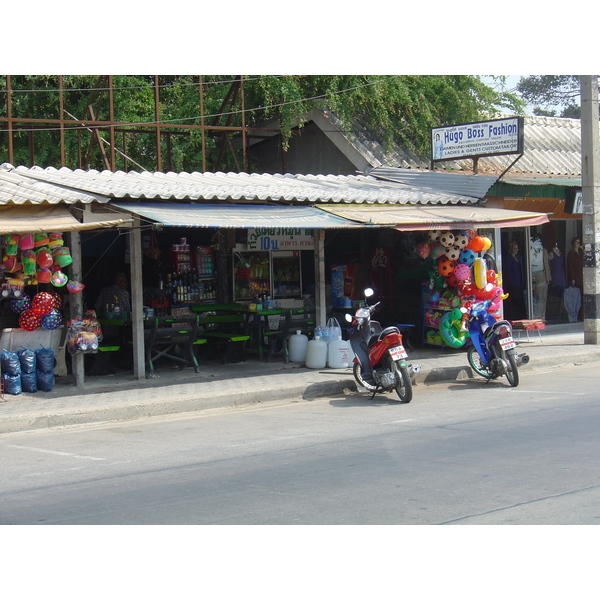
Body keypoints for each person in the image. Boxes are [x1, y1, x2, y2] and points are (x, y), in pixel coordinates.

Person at [502, 240, 526, 320]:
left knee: (520, 301)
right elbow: (507, 271)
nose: (517, 250)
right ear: (511, 249)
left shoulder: (520, 258)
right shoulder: (507, 259)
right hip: (512, 284)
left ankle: (521, 316)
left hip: (520, 283)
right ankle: (514, 317)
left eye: (517, 248)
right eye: (515, 248)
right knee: (513, 302)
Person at [566, 237, 583, 320]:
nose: (578, 244)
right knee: (576, 297)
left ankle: (582, 315)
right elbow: (570, 267)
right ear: (573, 243)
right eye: (577, 242)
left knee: (582, 297)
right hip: (576, 277)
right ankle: (576, 315)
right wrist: (572, 278)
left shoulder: (581, 252)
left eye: (579, 242)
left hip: (582, 276)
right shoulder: (571, 254)